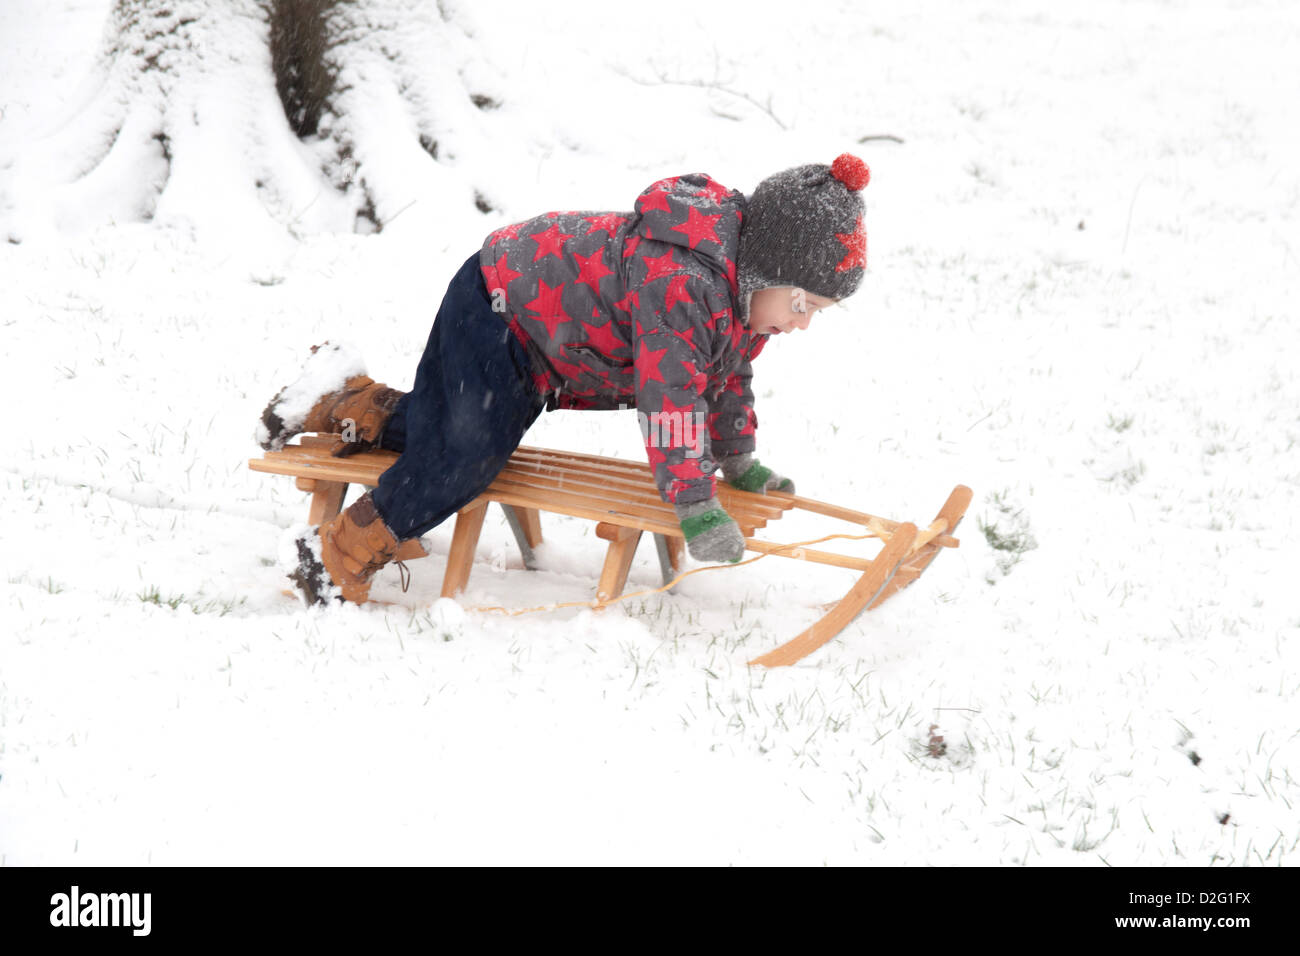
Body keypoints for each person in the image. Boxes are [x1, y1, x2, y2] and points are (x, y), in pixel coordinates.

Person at [259, 153, 870, 605]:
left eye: (815, 310)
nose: (803, 324)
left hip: (537, 340)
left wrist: (737, 463)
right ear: (768, 273)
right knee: (465, 455)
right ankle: (332, 558)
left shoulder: (740, 300)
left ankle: (340, 399)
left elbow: (726, 377)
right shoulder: (682, 284)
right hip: (501, 306)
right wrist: (696, 505)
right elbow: (672, 400)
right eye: (802, 305)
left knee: (443, 429)